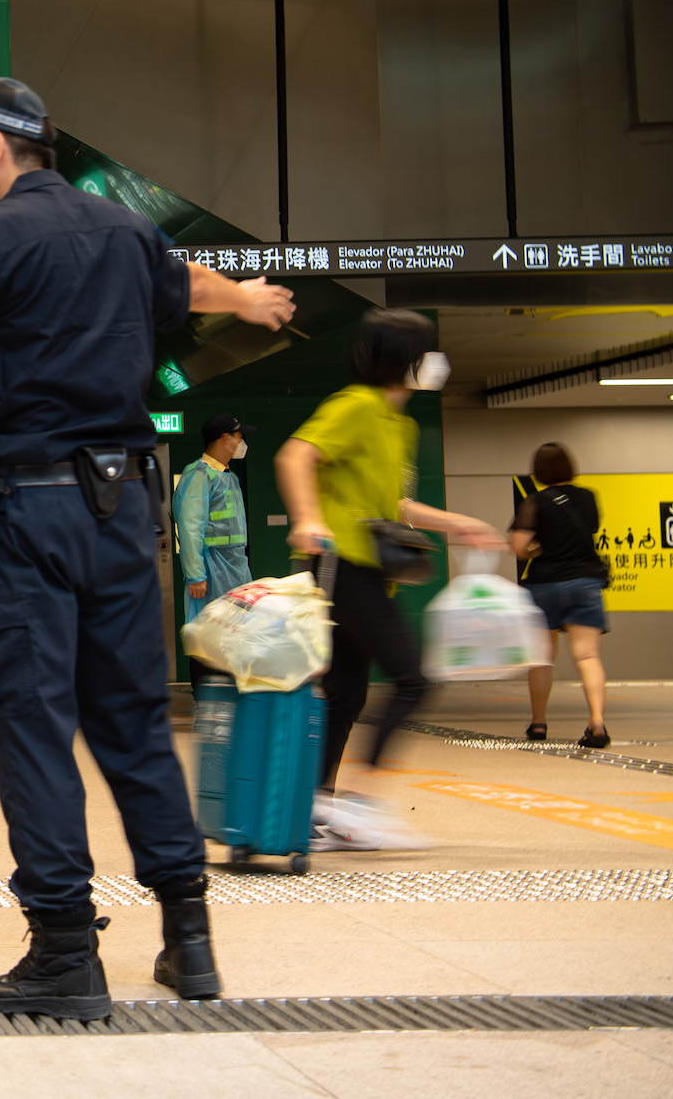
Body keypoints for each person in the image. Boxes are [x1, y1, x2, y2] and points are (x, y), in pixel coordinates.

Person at [0, 77, 296, 1020]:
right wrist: (250, 298)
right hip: (123, 513)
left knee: (30, 723)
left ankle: (64, 951)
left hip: (24, 515)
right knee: (134, 721)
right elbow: (192, 286)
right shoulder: (126, 232)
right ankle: (190, 940)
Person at [273, 309, 502, 851]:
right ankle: (359, 803)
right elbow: (295, 455)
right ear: (408, 360)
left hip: (370, 572)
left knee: (346, 691)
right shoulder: (356, 405)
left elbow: (393, 504)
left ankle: (317, 808)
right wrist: (308, 517)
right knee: (412, 679)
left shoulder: (400, 423)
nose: (437, 363)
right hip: (341, 567)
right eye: (428, 351)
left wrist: (457, 523)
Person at [510, 442, 610, 747]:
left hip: (545, 585)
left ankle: (538, 725)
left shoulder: (534, 502)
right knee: (588, 655)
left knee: (542, 658)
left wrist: (536, 548)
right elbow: (590, 530)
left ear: (538, 471)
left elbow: (518, 547)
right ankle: (597, 723)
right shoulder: (588, 497)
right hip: (585, 582)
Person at [174, 413, 253, 628]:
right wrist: (196, 575)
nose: (241, 442)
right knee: (210, 636)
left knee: (235, 633)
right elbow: (190, 527)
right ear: (225, 439)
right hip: (212, 569)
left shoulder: (230, 477)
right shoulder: (199, 475)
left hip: (236, 566)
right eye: (238, 437)